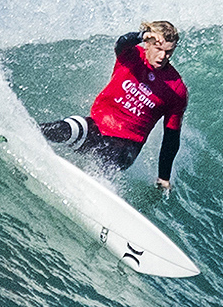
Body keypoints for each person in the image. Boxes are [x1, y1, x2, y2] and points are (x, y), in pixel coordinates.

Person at [39, 21, 188, 189]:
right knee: (69, 128)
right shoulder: (132, 56)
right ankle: (27, 134)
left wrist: (163, 177)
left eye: (168, 52)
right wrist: (140, 36)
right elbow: (121, 43)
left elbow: (171, 138)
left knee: (108, 158)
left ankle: (91, 189)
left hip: (126, 147)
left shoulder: (177, 90)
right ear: (147, 43)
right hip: (97, 127)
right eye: (158, 49)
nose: (162, 57)